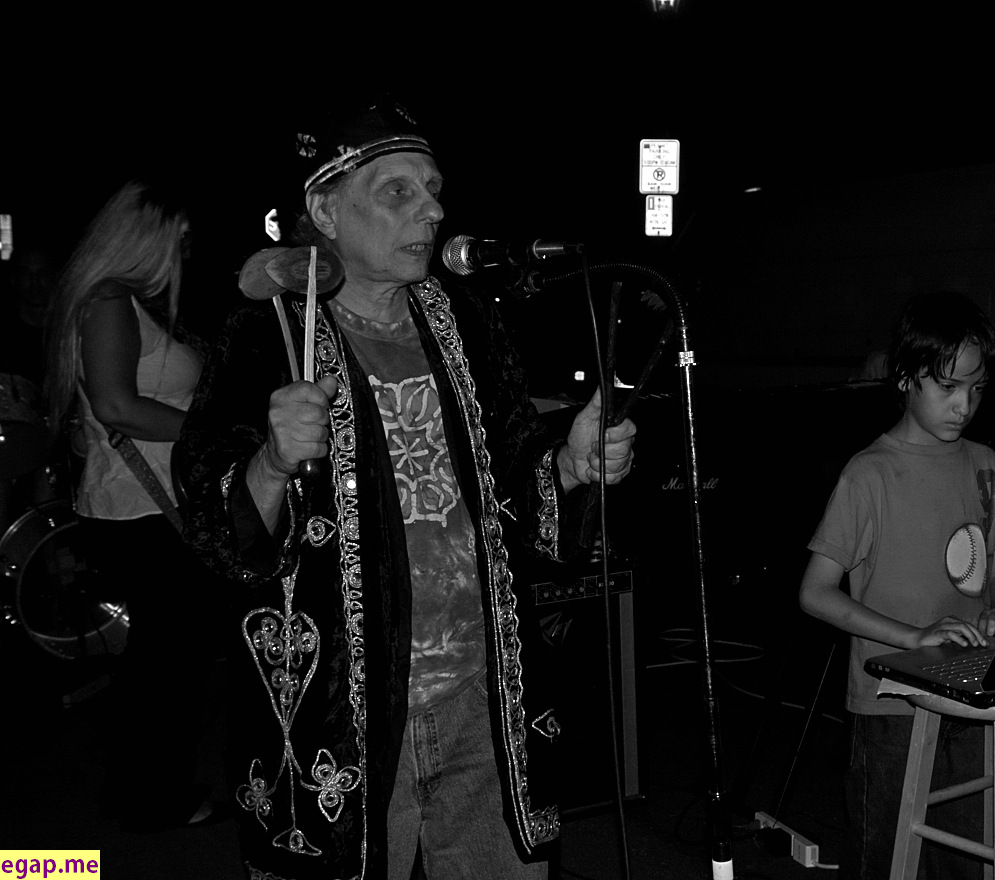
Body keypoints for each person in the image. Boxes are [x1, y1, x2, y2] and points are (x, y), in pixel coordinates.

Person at [177, 96, 637, 880]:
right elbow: (217, 532)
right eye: (398, 191)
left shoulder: (465, 320)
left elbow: (515, 473)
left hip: (483, 696)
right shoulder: (266, 334)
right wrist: (273, 461)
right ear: (326, 210)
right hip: (341, 720)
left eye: (433, 190)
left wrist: (573, 464)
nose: (431, 210)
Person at [797, 290, 995, 879]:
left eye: (977, 389)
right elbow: (816, 592)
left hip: (970, 692)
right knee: (887, 854)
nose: (963, 405)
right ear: (904, 378)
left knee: (966, 853)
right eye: (947, 387)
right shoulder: (869, 474)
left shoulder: (987, 466)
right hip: (890, 704)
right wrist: (912, 636)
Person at [43, 180, 224, 831]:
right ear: (146, 237)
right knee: (167, 665)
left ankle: (145, 793)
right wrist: (218, 433)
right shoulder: (110, 301)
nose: (186, 249)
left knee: (163, 662)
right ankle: (150, 798)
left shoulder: (123, 301)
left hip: (144, 507)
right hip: (138, 511)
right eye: (179, 237)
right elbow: (117, 406)